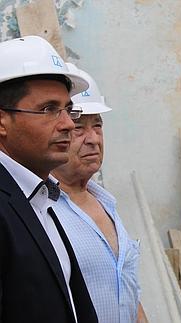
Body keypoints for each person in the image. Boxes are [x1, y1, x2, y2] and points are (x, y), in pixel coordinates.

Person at [0, 36, 98, 322]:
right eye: (48, 109)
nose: (68, 123)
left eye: (68, 109)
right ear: (2, 122)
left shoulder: (40, 198)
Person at [51, 64, 148, 323]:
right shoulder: (42, 211)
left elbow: (127, 293)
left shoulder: (106, 203)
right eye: (79, 128)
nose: (93, 139)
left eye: (98, 126)